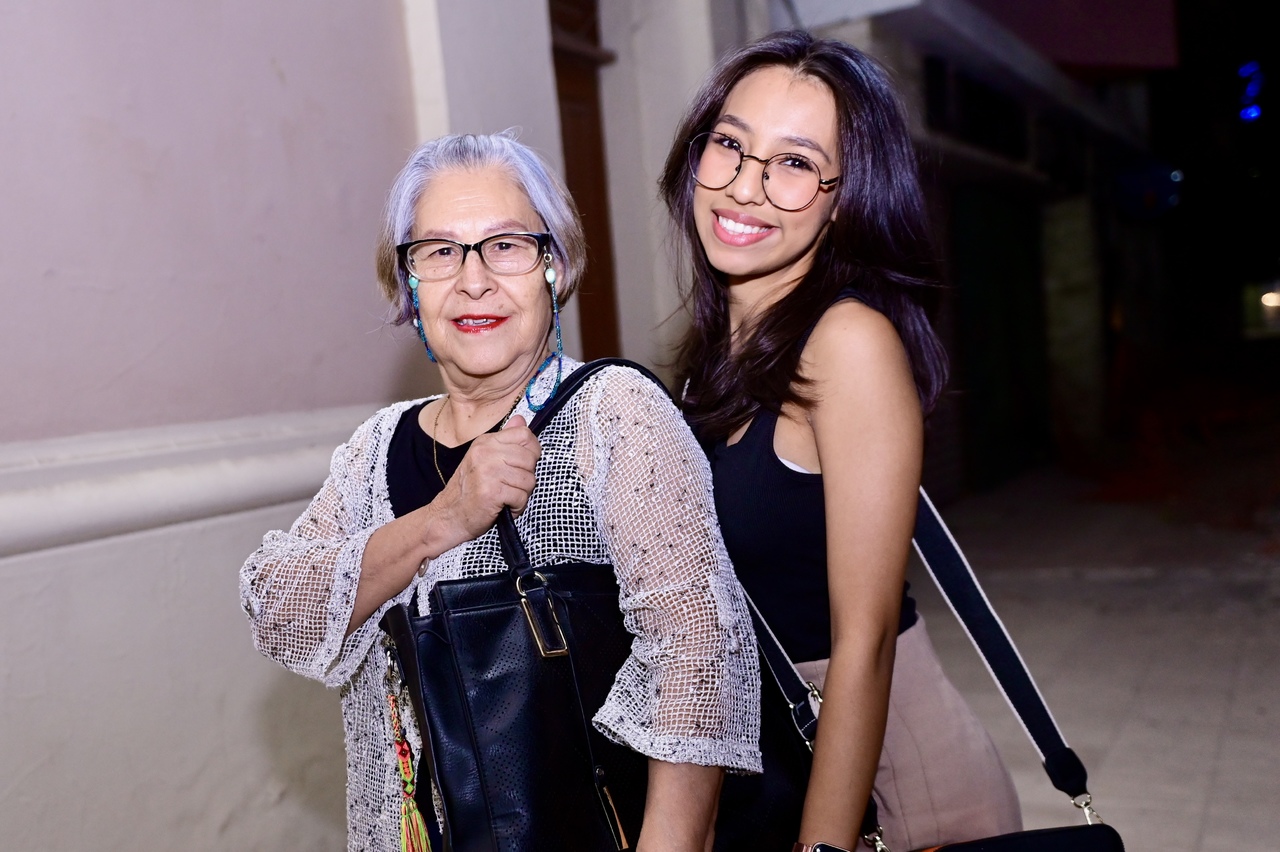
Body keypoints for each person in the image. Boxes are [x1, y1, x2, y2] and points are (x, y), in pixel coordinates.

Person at [240, 131, 761, 852]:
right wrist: (441, 521)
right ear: (408, 284)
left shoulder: (611, 414)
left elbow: (696, 656)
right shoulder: (375, 449)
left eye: (506, 246)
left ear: (555, 265)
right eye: (440, 252)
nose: (473, 280)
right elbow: (277, 609)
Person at [658, 31, 1022, 852]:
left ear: (845, 198)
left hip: (900, 799)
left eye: (794, 163)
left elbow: (866, 642)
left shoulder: (848, 343)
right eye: (730, 144)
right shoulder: (714, 362)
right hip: (782, 772)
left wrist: (822, 846)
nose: (745, 186)